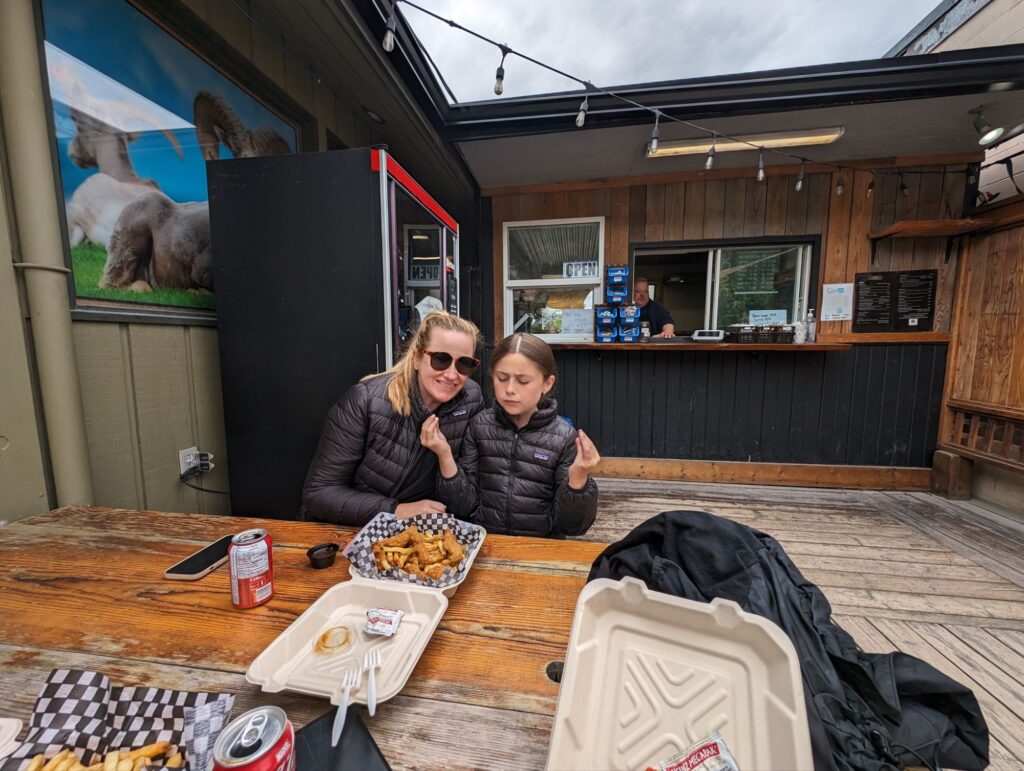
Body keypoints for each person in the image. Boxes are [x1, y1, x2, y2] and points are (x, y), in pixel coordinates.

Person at [302, 311, 485, 525]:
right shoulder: (367, 400)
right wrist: (395, 510)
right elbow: (319, 493)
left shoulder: (470, 399)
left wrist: (444, 454)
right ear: (416, 358)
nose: (452, 374)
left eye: (464, 364)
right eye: (440, 359)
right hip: (348, 530)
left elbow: (465, 505)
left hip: (421, 534)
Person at [420, 332, 600, 537]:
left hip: (540, 548)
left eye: (523, 381)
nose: (510, 389)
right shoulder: (479, 426)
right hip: (485, 543)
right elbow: (462, 507)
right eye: (502, 378)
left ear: (547, 384)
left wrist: (578, 480)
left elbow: (573, 526)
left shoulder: (564, 438)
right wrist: (445, 455)